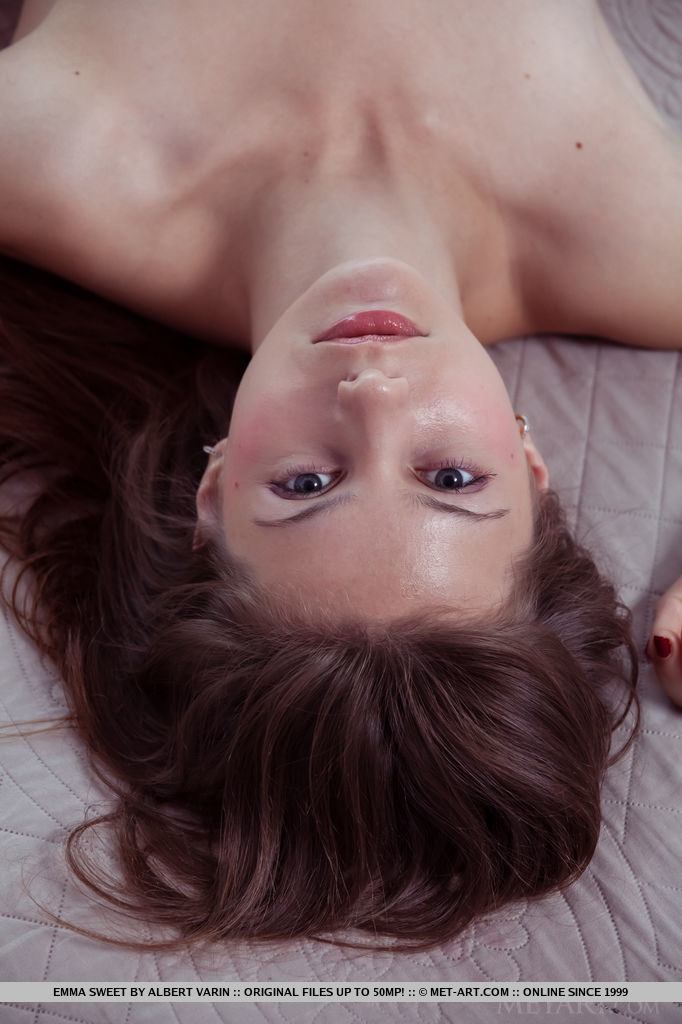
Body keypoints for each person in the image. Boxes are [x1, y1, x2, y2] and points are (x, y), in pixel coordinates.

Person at [0, 0, 679, 949]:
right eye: (451, 479)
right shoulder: (626, 239)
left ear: (214, 489)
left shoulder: (64, 162)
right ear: (531, 466)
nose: (374, 394)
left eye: (307, 485)